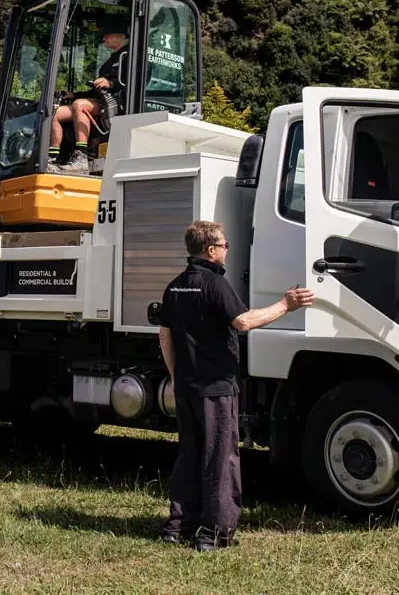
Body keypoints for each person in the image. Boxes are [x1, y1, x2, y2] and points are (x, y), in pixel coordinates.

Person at [157, 220, 314, 552]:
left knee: (189, 456)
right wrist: (286, 305)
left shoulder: (175, 286)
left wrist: (176, 377)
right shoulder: (215, 284)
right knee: (219, 459)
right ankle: (214, 533)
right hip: (216, 389)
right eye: (224, 245)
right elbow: (244, 322)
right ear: (210, 250)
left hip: (187, 388)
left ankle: (178, 526)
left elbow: (165, 337)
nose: (227, 250)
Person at [47, 18, 129, 174]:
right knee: (56, 112)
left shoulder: (130, 55)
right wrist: (74, 95)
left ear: (119, 36)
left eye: (107, 34)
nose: (104, 38)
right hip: (100, 100)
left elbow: (134, 82)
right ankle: (53, 157)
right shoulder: (111, 60)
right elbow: (96, 91)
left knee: (80, 105)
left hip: (117, 104)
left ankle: (81, 156)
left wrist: (111, 83)